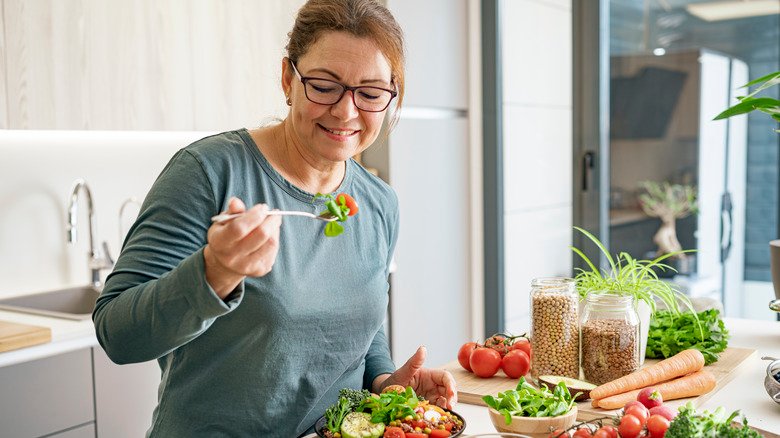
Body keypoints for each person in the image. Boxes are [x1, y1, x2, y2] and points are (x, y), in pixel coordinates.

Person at [92, 0, 457, 436]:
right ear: (289, 79)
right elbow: (117, 334)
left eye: (371, 93)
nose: (346, 111)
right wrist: (214, 274)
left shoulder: (379, 203)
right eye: (324, 85)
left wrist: (383, 381)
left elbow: (363, 325)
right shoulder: (210, 173)